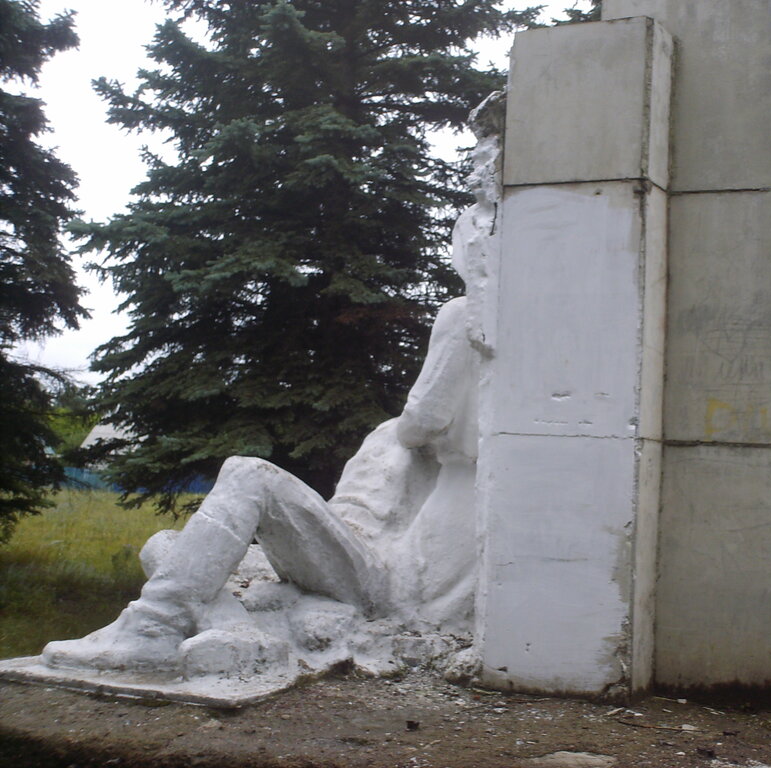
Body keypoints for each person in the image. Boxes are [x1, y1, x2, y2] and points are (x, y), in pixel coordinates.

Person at [42, 93, 503, 674]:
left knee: (248, 475)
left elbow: (422, 422)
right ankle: (231, 629)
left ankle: (151, 630)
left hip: (386, 580)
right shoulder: (427, 439)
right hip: (355, 561)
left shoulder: (460, 338)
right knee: (164, 544)